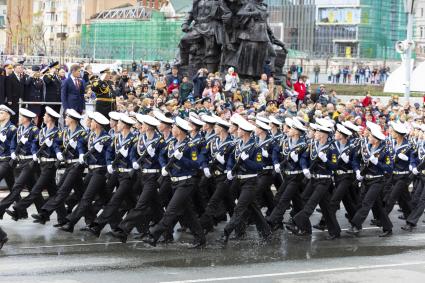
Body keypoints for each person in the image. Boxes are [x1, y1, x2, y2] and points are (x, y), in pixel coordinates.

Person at [144, 117, 206, 248]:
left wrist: (181, 158)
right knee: (188, 213)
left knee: (170, 210)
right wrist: (163, 166)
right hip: (174, 182)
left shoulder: (190, 146)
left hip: (186, 182)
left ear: (180, 130)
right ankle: (200, 238)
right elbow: (161, 155)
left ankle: (154, 235)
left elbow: (195, 164)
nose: (172, 129)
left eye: (174, 128)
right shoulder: (172, 144)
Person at [218, 116, 271, 244]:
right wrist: (230, 169)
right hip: (238, 180)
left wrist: (246, 160)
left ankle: (226, 233)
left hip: (250, 181)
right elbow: (231, 159)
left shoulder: (255, 147)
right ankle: (266, 232)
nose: (238, 131)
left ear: (245, 132)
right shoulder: (238, 144)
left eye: (240, 129)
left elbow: (259, 167)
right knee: (254, 209)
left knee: (239, 208)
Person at [7, 107, 64, 223]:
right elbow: (34, 144)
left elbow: (58, 145)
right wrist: (34, 153)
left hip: (50, 164)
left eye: (45, 116)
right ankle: (59, 218)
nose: (43, 117)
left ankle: (19, 208)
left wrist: (55, 149)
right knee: (54, 192)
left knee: (36, 190)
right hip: (41, 163)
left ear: (50, 119)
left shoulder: (58, 132)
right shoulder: (42, 131)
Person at [59, 112, 112, 233]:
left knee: (86, 198)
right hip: (91, 170)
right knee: (107, 200)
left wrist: (102, 152)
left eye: (92, 121)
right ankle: (112, 225)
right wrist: (82, 153)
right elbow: (80, 143)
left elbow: (109, 154)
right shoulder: (91, 135)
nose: (90, 123)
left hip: (100, 170)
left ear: (97, 124)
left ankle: (71, 223)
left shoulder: (106, 139)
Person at [347, 122, 393, 237]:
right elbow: (355, 160)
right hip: (366, 180)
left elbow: (389, 168)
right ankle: (388, 227)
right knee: (376, 205)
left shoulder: (385, 151)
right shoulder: (366, 148)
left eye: (371, 136)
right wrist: (357, 171)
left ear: (376, 140)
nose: (369, 137)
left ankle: (355, 225)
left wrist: (377, 162)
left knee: (366, 203)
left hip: (377, 180)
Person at [0, 108, 39, 219]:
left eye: (21, 116)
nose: (19, 118)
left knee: (17, 187)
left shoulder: (14, 128)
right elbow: (14, 144)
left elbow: (35, 145)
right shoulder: (20, 129)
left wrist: (6, 142)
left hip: (23, 161)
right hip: (19, 161)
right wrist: (13, 151)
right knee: (30, 188)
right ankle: (38, 213)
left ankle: (1, 209)